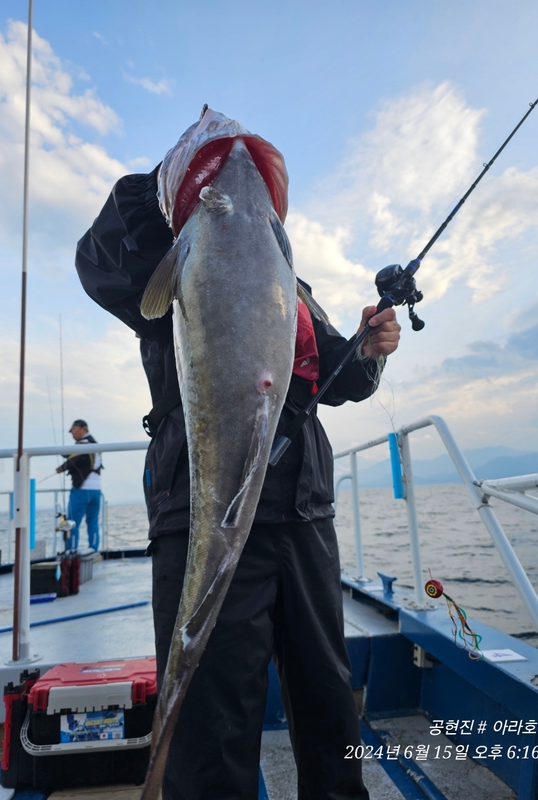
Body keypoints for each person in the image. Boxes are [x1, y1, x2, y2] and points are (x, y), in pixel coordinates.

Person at [75, 163, 400, 800]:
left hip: (301, 511)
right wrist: (158, 182)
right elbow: (99, 260)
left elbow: (340, 379)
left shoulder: (293, 290)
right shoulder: (174, 260)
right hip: (204, 504)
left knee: (327, 688)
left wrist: (368, 347)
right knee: (213, 712)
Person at [56, 420, 102, 551]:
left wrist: (59, 468)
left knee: (72, 522)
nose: (72, 434)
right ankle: (93, 548)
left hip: (82, 490)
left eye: (75, 430)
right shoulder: (96, 444)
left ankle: (71, 550)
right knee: (92, 521)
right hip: (96, 490)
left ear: (84, 429)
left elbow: (70, 458)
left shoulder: (83, 444)